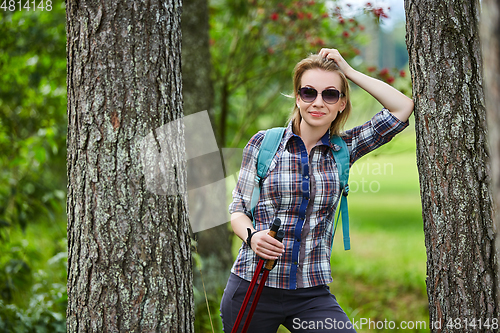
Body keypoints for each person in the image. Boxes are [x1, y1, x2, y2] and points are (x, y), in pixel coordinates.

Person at [220, 48, 414, 333]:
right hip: (252, 286)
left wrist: (348, 72)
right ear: (298, 97)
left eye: (330, 94)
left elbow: (402, 107)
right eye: (309, 92)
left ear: (341, 103)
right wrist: (253, 238)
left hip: (310, 293)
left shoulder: (344, 148)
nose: (318, 102)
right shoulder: (264, 144)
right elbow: (238, 209)